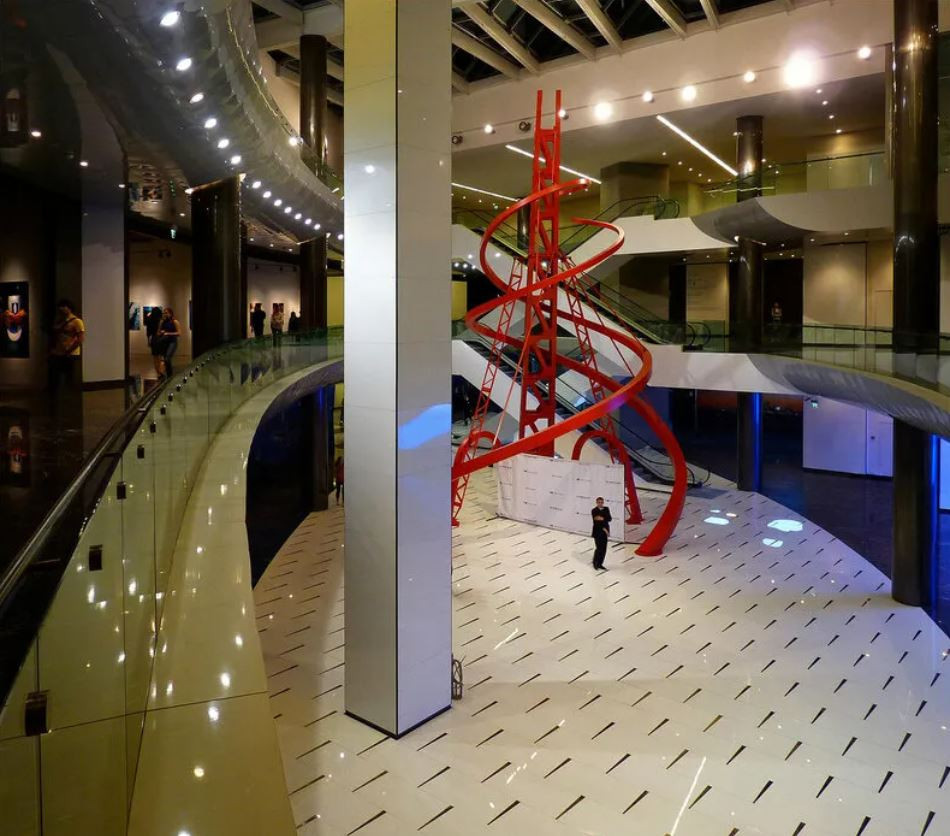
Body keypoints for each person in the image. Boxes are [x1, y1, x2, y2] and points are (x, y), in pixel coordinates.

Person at [49, 298, 85, 390]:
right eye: (60, 307)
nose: (61, 309)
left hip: (70, 353)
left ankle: (69, 392)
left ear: (69, 308)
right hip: (58, 352)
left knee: (69, 376)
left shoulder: (77, 321)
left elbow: (80, 338)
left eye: (63, 306)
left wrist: (69, 350)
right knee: (56, 376)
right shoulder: (59, 321)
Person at [158, 307, 181, 377]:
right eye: (164, 313)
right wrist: (161, 332)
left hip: (172, 342)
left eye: (166, 313)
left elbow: (179, 333)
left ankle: (170, 375)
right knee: (165, 359)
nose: (165, 314)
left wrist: (168, 333)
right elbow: (158, 333)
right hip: (164, 342)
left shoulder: (175, 321)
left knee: (167, 358)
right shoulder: (162, 322)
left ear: (171, 313)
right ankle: (168, 375)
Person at [591, 496, 612, 571]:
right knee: (599, 548)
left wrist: (602, 518)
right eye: (599, 502)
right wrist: (604, 528)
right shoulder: (594, 510)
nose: (600, 504)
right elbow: (596, 522)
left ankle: (600, 564)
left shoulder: (606, 509)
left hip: (604, 532)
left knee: (604, 549)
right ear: (596, 503)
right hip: (597, 532)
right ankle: (595, 563)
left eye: (601, 502)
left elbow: (609, 518)